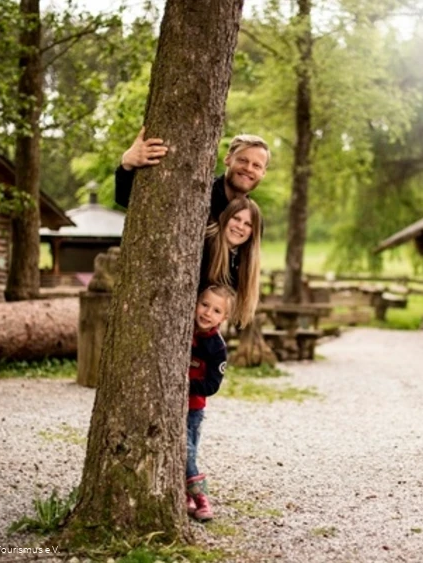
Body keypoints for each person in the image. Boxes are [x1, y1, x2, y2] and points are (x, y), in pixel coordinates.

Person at [114, 127, 270, 226]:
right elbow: (131, 201)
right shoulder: (198, 191)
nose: (248, 168)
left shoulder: (252, 218)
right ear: (228, 159)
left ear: (263, 173)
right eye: (242, 160)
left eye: (257, 166)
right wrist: (127, 163)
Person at [185, 284, 236, 522]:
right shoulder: (183, 328)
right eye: (204, 305)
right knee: (184, 453)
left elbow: (212, 385)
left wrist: (183, 387)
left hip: (193, 408)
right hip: (174, 407)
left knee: (187, 454)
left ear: (224, 318)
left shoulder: (217, 347)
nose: (207, 313)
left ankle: (199, 496)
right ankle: (192, 498)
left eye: (216, 310)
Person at [200, 196, 262, 328]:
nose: (240, 226)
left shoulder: (242, 259)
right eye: (236, 218)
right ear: (224, 217)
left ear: (253, 232)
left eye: (248, 224)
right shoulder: (206, 245)